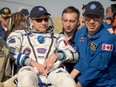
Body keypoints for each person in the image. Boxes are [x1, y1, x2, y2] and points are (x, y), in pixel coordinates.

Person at [7, 6, 78, 87]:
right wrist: (32, 62)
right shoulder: (19, 35)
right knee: (26, 79)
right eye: (39, 20)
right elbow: (10, 51)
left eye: (46, 19)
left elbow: (74, 54)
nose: (43, 23)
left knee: (68, 81)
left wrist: (56, 56)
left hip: (52, 71)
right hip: (29, 70)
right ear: (31, 21)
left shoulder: (57, 37)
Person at [70, 1, 116, 87]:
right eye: (89, 17)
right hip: (86, 82)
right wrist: (69, 78)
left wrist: (78, 84)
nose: (91, 21)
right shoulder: (80, 33)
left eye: (96, 17)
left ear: (102, 18)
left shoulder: (108, 39)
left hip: (104, 84)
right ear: (84, 17)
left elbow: (98, 67)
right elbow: (81, 60)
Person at [60, 6, 80, 81]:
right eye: (65, 20)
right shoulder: (55, 39)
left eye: (72, 21)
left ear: (78, 22)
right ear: (61, 20)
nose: (68, 25)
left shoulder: (83, 41)